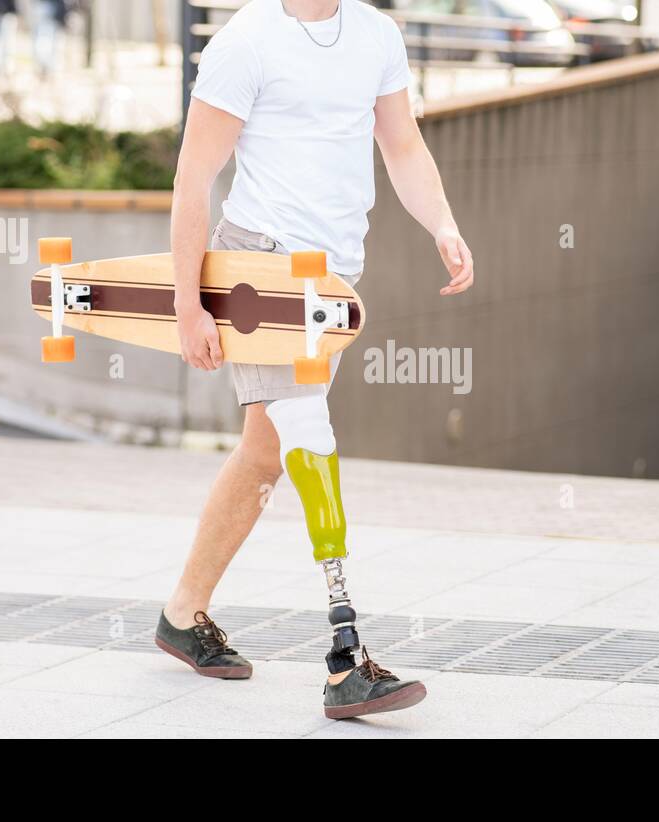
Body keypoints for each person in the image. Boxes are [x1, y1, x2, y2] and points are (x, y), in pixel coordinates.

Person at [157, 0, 474, 719]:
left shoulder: (376, 34)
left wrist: (443, 223)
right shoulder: (246, 41)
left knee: (264, 454)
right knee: (308, 437)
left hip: (333, 279)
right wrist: (188, 302)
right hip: (263, 271)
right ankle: (345, 659)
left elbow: (402, 144)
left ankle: (181, 614)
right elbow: (193, 175)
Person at [31, 0, 69, 80]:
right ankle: (44, 67)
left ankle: (46, 68)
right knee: (44, 38)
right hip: (45, 7)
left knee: (47, 38)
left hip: (50, 7)